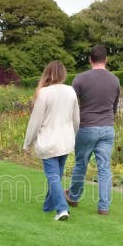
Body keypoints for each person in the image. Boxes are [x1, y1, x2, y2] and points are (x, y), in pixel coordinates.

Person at [66, 45, 120, 215]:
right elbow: (115, 107)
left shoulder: (80, 79)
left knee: (81, 163)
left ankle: (74, 197)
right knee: (104, 167)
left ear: (90, 59)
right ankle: (104, 207)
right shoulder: (115, 80)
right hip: (107, 128)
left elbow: (72, 105)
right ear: (106, 60)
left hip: (87, 127)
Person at [23, 61, 80, 221]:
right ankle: (48, 206)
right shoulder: (71, 91)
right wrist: (74, 135)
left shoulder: (44, 93)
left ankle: (62, 209)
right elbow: (76, 119)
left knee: (54, 176)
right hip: (65, 141)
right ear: (63, 74)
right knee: (57, 175)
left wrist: (27, 143)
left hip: (48, 142)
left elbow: (35, 122)